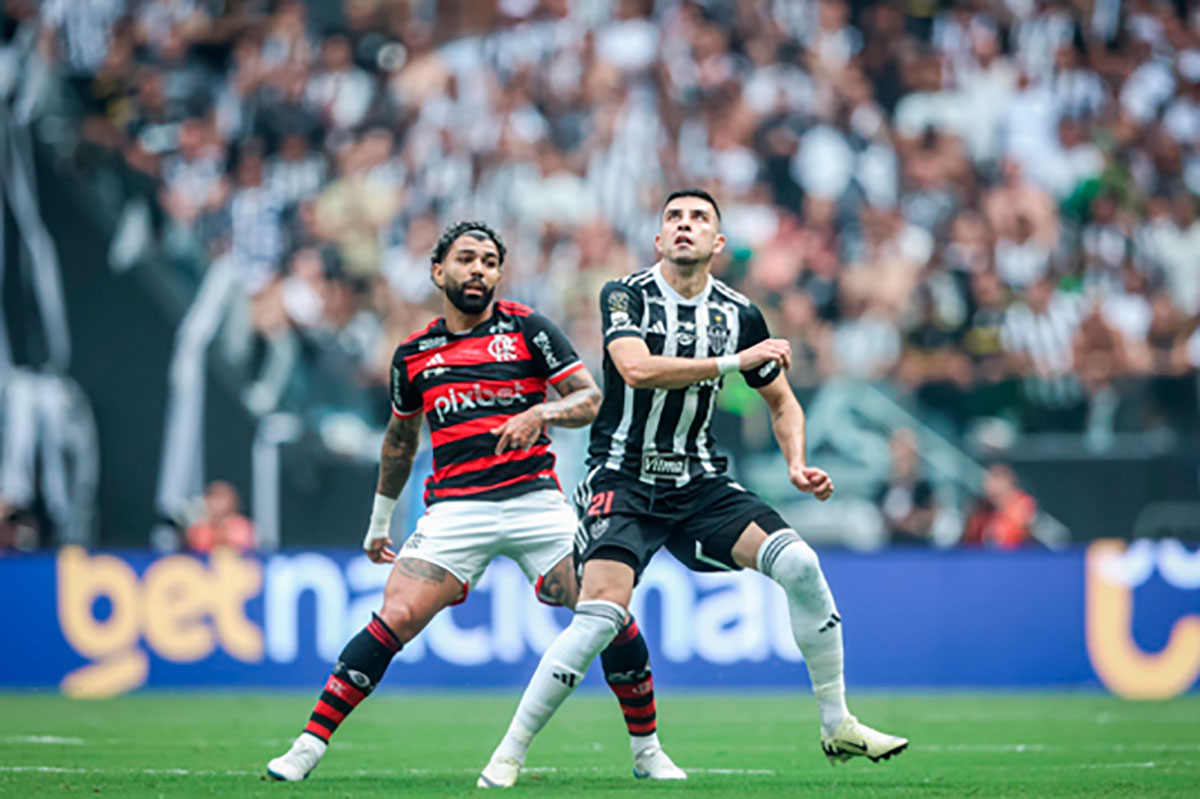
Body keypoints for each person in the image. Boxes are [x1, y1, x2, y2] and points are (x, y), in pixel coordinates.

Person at [478, 190, 908, 788]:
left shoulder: (739, 313)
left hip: (699, 481)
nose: (685, 225)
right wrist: (735, 362)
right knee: (601, 615)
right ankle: (510, 752)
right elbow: (635, 368)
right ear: (659, 240)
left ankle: (838, 724)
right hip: (622, 478)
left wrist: (796, 463)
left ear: (717, 243)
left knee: (802, 565)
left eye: (699, 218)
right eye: (674, 218)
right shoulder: (625, 294)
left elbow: (783, 402)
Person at [266, 221, 683, 781]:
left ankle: (647, 751)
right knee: (396, 616)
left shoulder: (529, 329)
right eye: (467, 258)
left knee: (608, 611)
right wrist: (379, 521)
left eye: (489, 260)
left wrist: (541, 413)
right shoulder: (414, 355)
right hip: (457, 510)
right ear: (439, 271)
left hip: (536, 503)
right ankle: (307, 747)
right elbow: (398, 441)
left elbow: (588, 397)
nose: (479, 269)